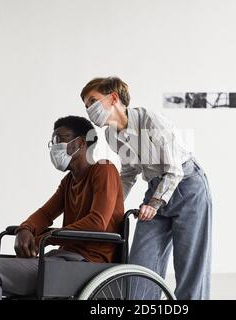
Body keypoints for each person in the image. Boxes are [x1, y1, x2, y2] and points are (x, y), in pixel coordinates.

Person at [0, 116, 124, 299]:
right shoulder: (69, 181)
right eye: (53, 141)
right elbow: (45, 214)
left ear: (81, 143)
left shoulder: (104, 170)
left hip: (88, 263)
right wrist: (25, 229)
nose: (55, 146)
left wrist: (44, 239)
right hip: (62, 259)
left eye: (60, 139)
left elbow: (97, 222)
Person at [81, 76, 213, 300]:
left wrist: (154, 203)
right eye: (86, 106)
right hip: (155, 188)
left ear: (113, 98)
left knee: (190, 266)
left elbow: (174, 170)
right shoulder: (110, 135)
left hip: (187, 185)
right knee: (141, 267)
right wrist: (112, 206)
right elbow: (129, 172)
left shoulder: (151, 121)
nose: (89, 110)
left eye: (92, 101)